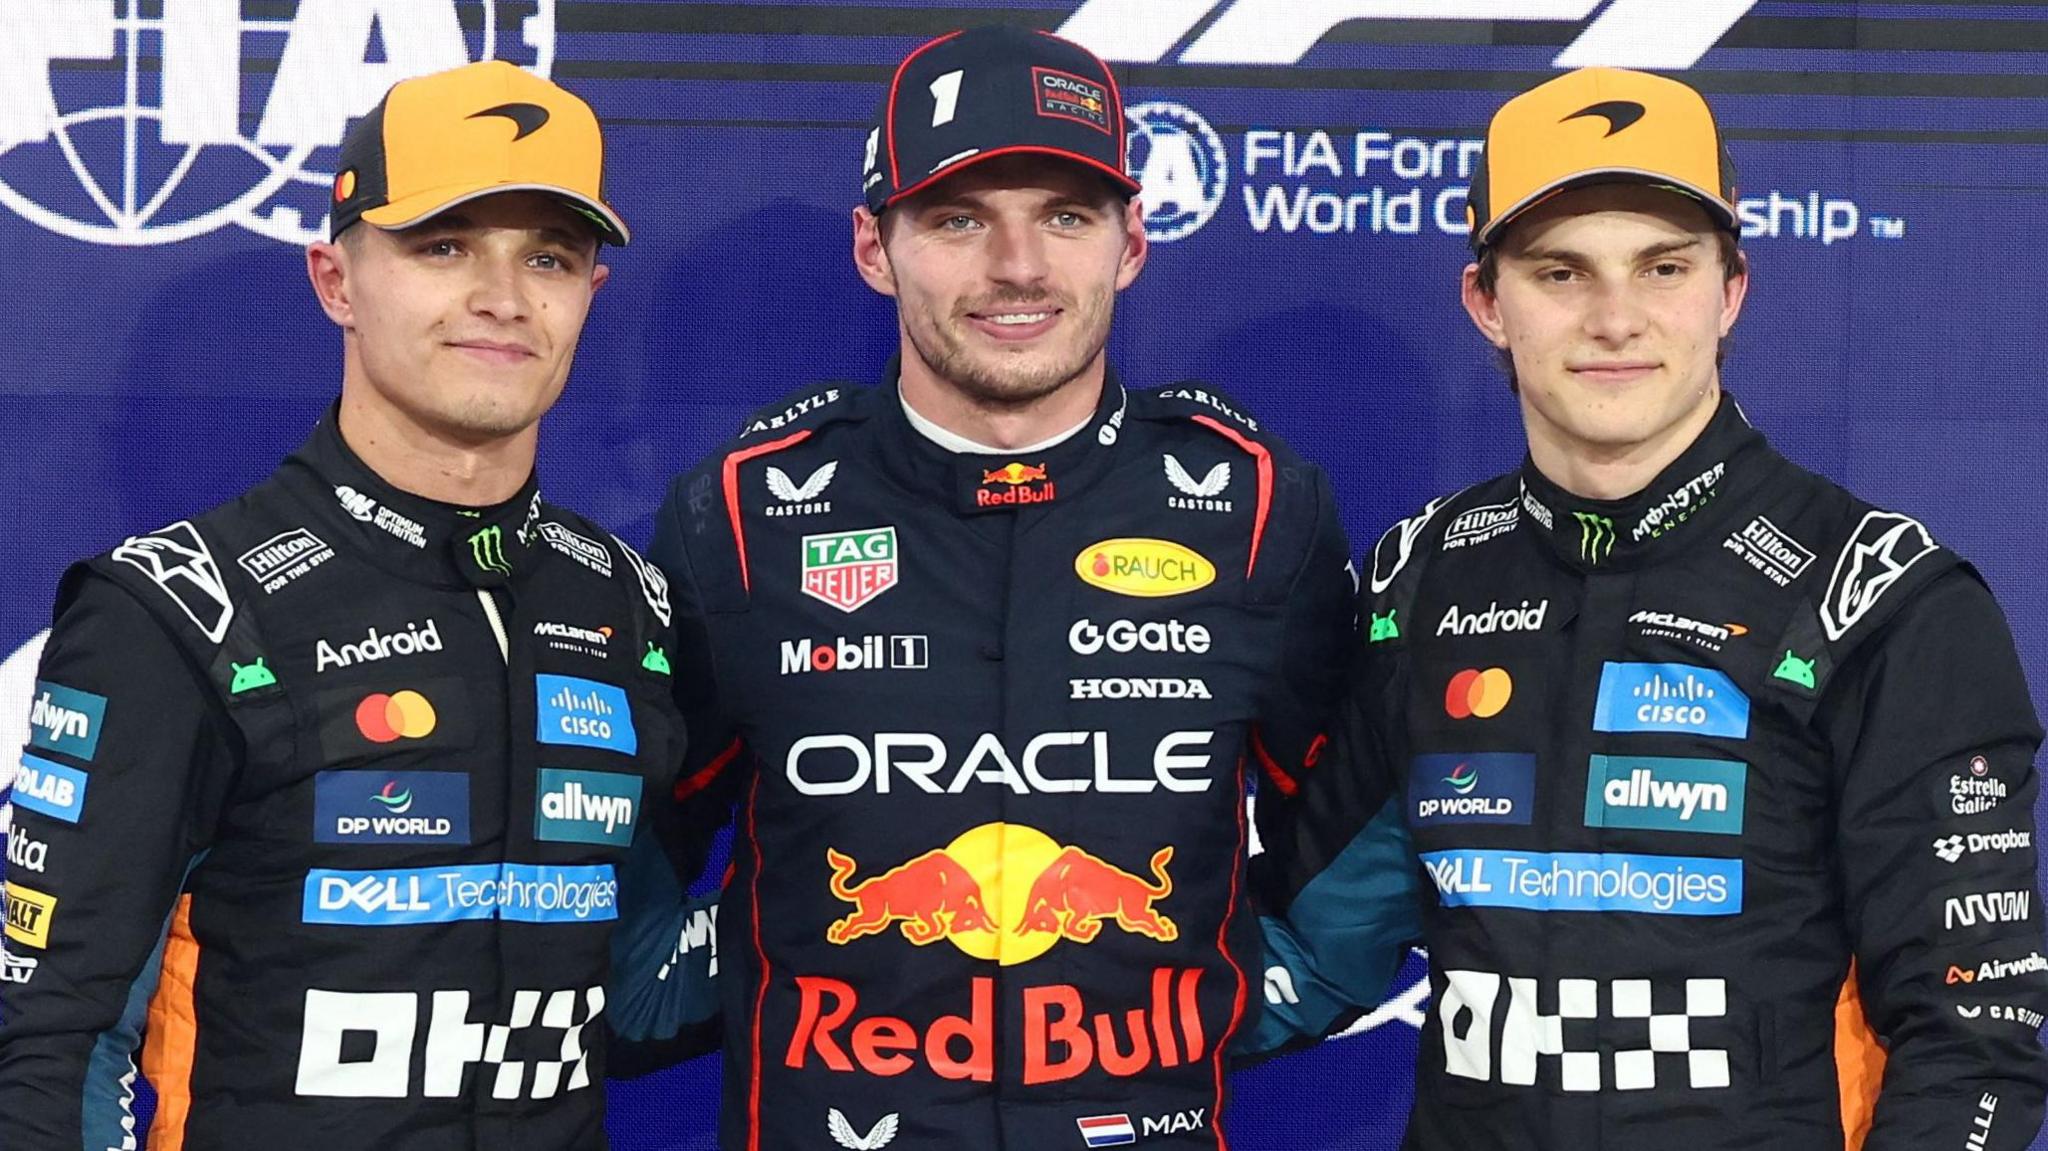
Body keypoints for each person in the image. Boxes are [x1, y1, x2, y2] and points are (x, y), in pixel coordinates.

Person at [627, 24, 1406, 1149]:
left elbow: (1347, 844)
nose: (1020, 267)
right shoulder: (741, 514)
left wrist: (1209, 996)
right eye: (958, 219)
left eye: (1066, 216)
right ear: (873, 247)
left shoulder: (1257, 506)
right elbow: (618, 861)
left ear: (1131, 242)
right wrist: (769, 964)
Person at [1252, 67, 2048, 1148]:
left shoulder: (1881, 597)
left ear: (1729, 291)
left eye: (1662, 267)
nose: (1615, 318)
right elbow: (1314, 950)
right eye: (1560, 271)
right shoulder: (1423, 577)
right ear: (1486, 302)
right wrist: (1053, 1001)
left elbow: (1974, 1044)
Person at [0, 60, 705, 1149]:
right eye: (443, 245)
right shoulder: (178, 610)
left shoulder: (624, 598)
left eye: (548, 256)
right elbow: (49, 1035)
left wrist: (858, 897)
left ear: (588, 296)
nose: (503, 296)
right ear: (336, 280)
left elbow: (638, 981)